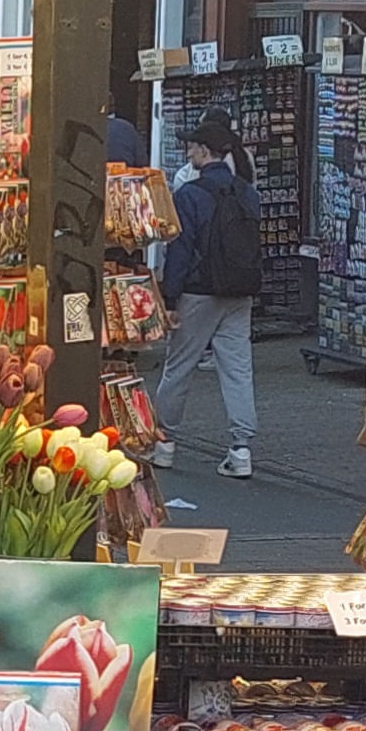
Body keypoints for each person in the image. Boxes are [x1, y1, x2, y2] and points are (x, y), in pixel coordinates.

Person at [153, 111, 263, 480]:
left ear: (203, 151)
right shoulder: (247, 192)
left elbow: (180, 250)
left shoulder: (189, 194)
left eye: (192, 148)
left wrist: (169, 299)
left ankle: (165, 441)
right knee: (237, 368)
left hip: (198, 292)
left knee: (179, 365)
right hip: (239, 291)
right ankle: (241, 448)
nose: (188, 154)